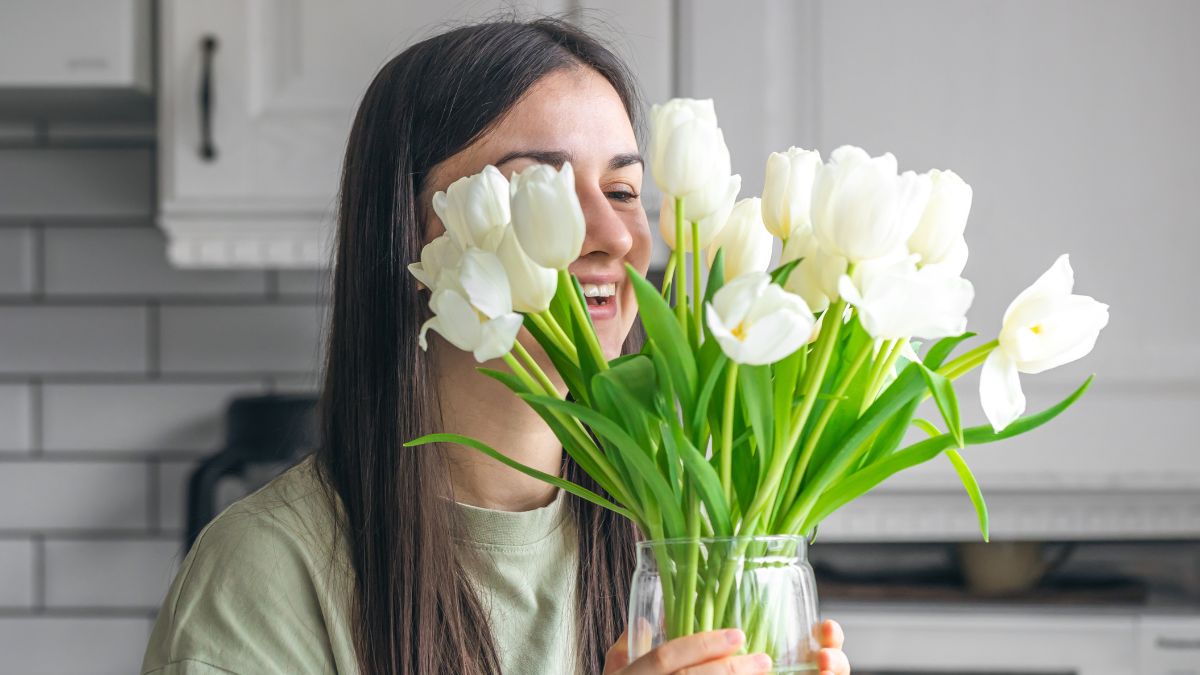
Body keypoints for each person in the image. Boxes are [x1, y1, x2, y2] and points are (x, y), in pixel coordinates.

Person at [142, 17, 852, 675]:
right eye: (540, 187)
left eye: (625, 189)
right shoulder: (267, 571)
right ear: (413, 232)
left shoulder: (695, 542)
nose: (613, 235)